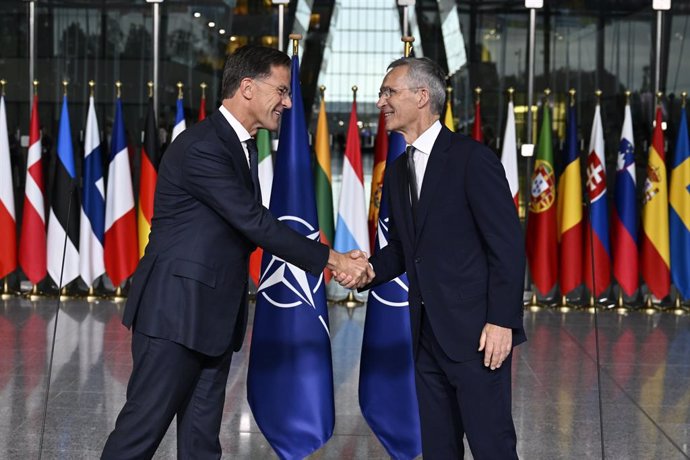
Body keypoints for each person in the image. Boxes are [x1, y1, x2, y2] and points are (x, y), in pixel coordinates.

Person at [101, 45, 372, 459]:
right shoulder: (203, 146)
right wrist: (335, 261)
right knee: (140, 434)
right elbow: (255, 222)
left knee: (201, 444)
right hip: (176, 315)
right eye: (281, 91)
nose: (286, 102)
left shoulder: (239, 145)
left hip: (212, 319)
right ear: (247, 87)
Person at [359, 57, 526, 458]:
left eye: (389, 92)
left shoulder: (472, 159)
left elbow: (506, 245)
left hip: (476, 337)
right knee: (438, 448)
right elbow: (403, 248)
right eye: (382, 93)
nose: (381, 101)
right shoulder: (397, 171)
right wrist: (366, 271)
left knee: (492, 446)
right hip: (425, 336)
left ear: (421, 96)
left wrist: (502, 321)